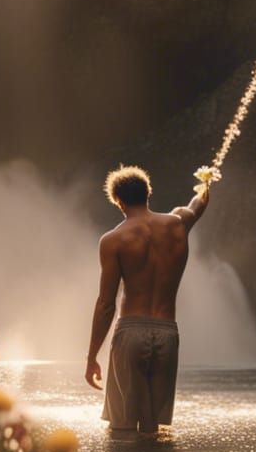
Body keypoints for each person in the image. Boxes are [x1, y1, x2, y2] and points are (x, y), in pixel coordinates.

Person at [85, 165, 209, 436]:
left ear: (118, 200)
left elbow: (106, 304)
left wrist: (92, 355)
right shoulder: (178, 224)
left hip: (131, 331)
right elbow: (197, 205)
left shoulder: (114, 240)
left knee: (123, 428)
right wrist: (206, 182)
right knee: (153, 428)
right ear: (148, 193)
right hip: (167, 332)